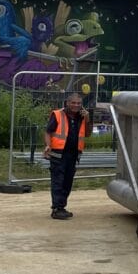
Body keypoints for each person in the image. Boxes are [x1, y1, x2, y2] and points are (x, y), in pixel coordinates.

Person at [43, 91, 90, 220]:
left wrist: (87, 119)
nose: (76, 105)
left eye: (79, 103)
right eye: (73, 103)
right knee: (58, 180)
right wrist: (48, 145)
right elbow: (48, 131)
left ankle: (61, 207)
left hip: (74, 154)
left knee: (67, 181)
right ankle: (57, 208)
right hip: (58, 153)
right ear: (67, 103)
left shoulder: (82, 116)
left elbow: (88, 133)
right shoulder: (57, 114)